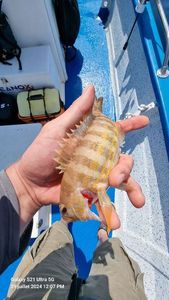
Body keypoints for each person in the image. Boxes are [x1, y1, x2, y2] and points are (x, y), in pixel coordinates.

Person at [0, 85, 149, 299]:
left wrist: (23, 185)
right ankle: (102, 236)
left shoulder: (81, 188)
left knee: (53, 244)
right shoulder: (89, 190)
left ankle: (65, 225)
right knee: (117, 271)